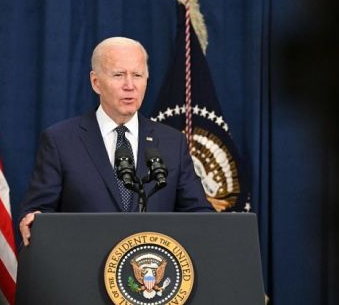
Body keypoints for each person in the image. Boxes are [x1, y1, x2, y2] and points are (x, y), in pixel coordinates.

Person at [19, 37, 213, 246]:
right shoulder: (61, 140)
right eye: (119, 75)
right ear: (96, 82)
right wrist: (34, 219)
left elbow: (199, 214)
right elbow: (39, 213)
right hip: (84, 268)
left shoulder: (172, 142)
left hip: (152, 270)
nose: (129, 85)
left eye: (137, 75)